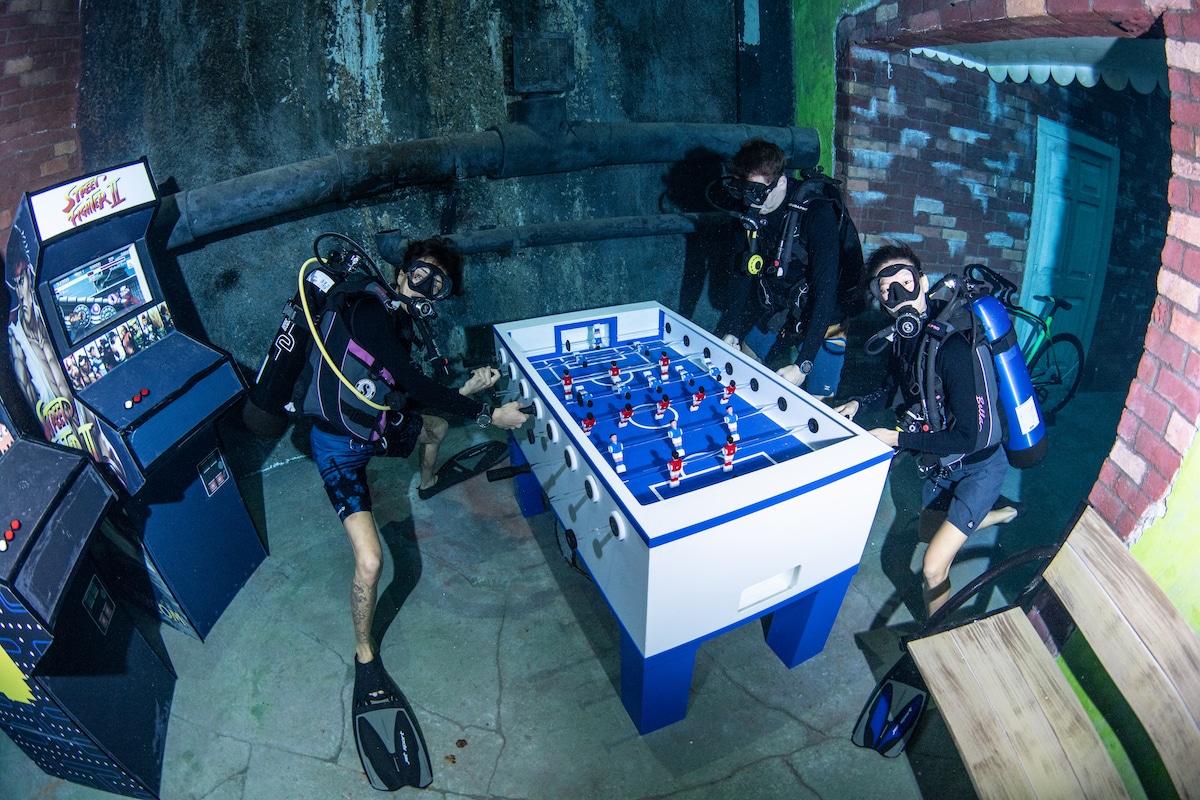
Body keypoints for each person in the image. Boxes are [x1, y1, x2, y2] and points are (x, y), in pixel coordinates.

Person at [306, 236, 528, 677]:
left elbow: (402, 394)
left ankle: (426, 484)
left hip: (377, 427)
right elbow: (413, 382)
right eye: (420, 275)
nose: (424, 289)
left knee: (438, 427)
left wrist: (465, 391)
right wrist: (488, 413)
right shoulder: (369, 312)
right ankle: (364, 654)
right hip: (339, 447)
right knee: (371, 561)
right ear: (400, 273)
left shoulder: (401, 324)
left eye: (438, 285)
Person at [836, 243, 1018, 616]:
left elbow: (971, 437)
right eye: (887, 291)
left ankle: (939, 635)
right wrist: (858, 403)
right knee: (924, 531)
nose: (899, 296)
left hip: (979, 464)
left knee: (933, 567)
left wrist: (897, 438)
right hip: (941, 463)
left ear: (924, 281)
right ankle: (994, 515)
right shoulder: (904, 339)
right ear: (879, 300)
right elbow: (892, 387)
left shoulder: (953, 347)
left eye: (906, 283)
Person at [715, 138, 858, 396]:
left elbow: (826, 293)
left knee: (817, 400)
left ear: (781, 182)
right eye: (746, 192)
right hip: (781, 308)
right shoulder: (750, 210)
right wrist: (732, 328)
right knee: (745, 364)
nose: (753, 204)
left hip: (827, 317)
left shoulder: (815, 213)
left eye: (759, 193)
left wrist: (803, 364)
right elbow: (742, 272)